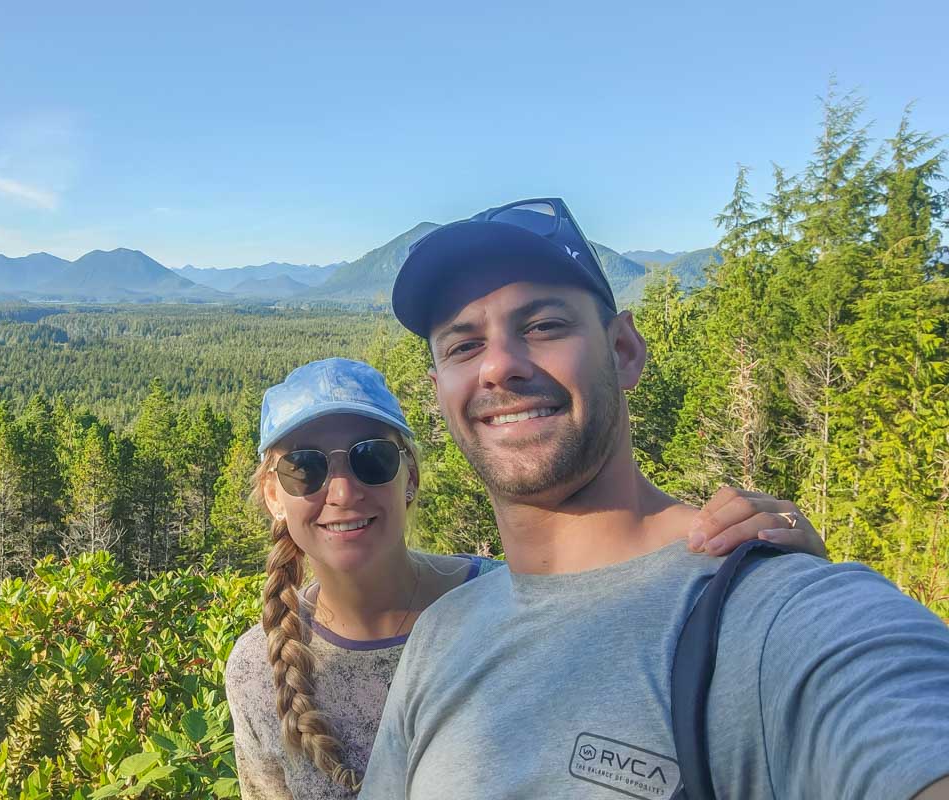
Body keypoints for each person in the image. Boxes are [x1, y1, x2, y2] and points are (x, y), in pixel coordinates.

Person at [358, 198, 949, 799]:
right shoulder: (440, 637)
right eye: (463, 346)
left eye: (543, 326)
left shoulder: (776, 612)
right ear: (439, 393)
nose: (500, 366)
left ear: (623, 351)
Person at [226, 358, 828, 800]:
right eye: (303, 467)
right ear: (273, 496)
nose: (342, 490)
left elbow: (646, 619)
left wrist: (777, 583)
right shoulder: (259, 669)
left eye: (371, 458)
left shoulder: (512, 603)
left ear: (408, 478)